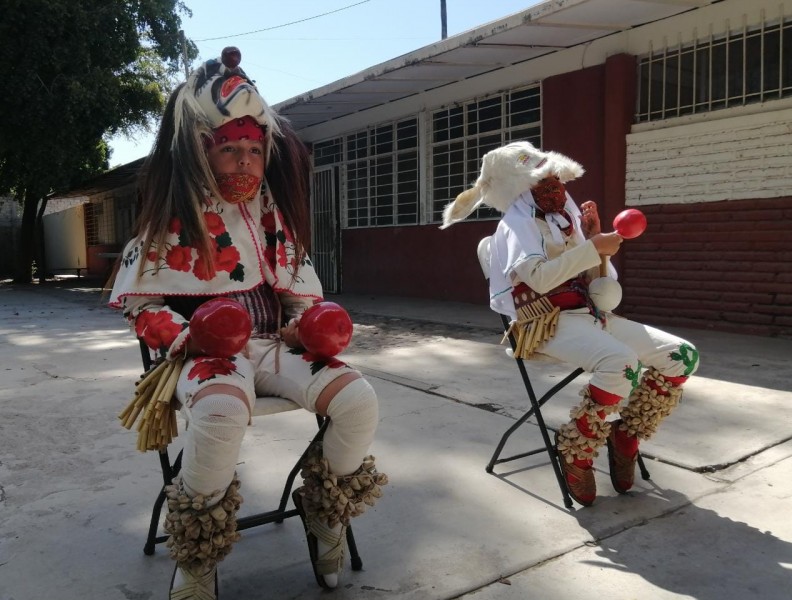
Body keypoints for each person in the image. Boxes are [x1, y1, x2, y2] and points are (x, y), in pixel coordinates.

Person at [109, 47, 387, 599]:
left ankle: (325, 510)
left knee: (359, 400)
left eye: (254, 150)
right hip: (203, 354)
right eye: (229, 149)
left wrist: (306, 324)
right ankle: (198, 548)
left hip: (272, 346)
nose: (244, 161)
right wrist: (186, 335)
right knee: (217, 412)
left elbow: (302, 299)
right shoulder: (171, 222)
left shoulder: (273, 218)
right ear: (201, 154)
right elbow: (143, 309)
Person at [440, 141, 699, 507]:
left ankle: (624, 434)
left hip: (590, 314)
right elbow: (540, 280)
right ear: (518, 189)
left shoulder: (568, 219)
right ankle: (576, 446)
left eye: (554, 179)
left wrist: (593, 239)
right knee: (622, 364)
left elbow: (601, 286)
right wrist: (593, 248)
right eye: (540, 183)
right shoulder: (517, 225)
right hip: (543, 323)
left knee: (682, 355)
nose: (553, 188)